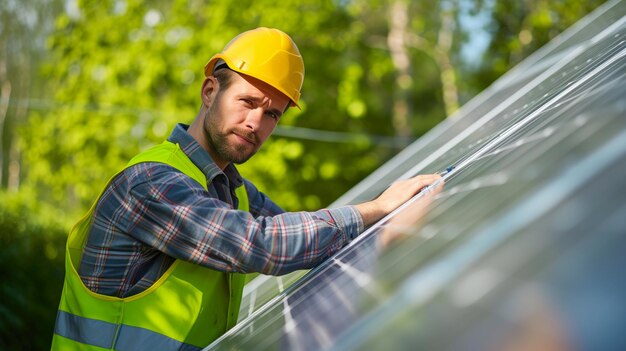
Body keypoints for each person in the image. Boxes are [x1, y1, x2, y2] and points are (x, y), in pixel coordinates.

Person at [51, 27, 442, 350]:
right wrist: (376, 208)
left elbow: (301, 234)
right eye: (247, 101)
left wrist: (388, 224)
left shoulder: (232, 190)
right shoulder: (151, 183)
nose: (256, 122)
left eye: (272, 113)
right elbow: (262, 245)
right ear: (209, 93)